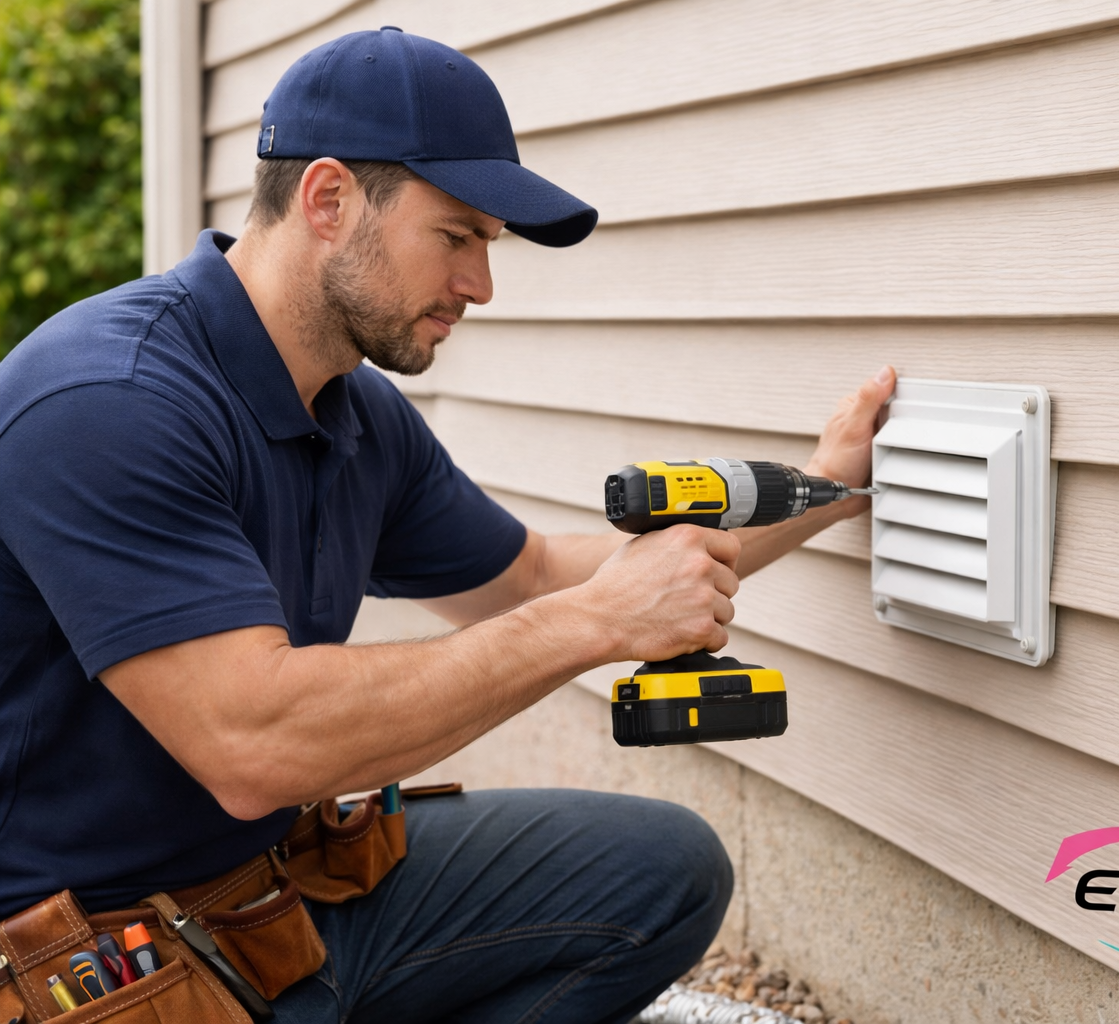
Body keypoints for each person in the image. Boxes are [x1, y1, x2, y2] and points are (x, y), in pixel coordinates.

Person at [0, 27, 893, 1024]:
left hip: (271, 899)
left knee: (663, 871)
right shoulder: (105, 399)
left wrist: (826, 488)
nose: (480, 285)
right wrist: (597, 624)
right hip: (97, 965)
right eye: (456, 235)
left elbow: (542, 571)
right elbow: (255, 743)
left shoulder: (352, 410)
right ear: (329, 200)